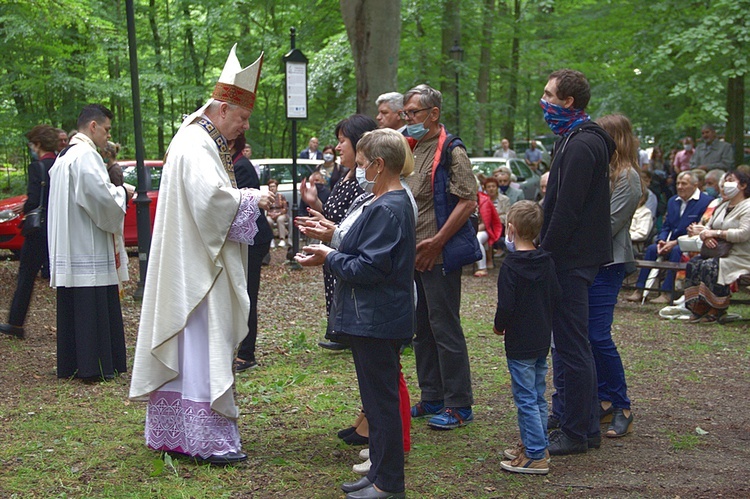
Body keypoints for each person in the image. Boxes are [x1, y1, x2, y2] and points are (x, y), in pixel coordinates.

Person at [129, 45, 271, 464]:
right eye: (242, 117)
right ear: (223, 108)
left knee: (194, 348)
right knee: (200, 343)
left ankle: (183, 434)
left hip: (198, 258)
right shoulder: (195, 142)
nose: (243, 126)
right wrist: (255, 198)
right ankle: (205, 439)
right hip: (198, 268)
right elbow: (211, 202)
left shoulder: (202, 139)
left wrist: (246, 198)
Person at [296, 128, 414, 499]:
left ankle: (388, 483)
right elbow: (362, 248)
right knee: (376, 406)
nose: (358, 170)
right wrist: (332, 241)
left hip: (378, 319)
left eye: (362, 164)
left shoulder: (389, 207)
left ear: (379, 165)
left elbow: (369, 268)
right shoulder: (381, 203)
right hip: (371, 319)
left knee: (382, 407)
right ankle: (377, 473)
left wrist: (329, 257)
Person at [538, 69, 615, 455]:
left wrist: (544, 254)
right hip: (570, 258)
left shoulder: (583, 145)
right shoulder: (571, 140)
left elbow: (567, 209)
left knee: (572, 346)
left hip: (571, 260)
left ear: (568, 102)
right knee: (569, 344)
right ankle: (578, 421)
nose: (544, 101)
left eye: (549, 95)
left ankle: (577, 431)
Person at [402, 84, 478, 430]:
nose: (409, 119)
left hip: (439, 254)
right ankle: (431, 394)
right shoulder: (412, 147)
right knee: (421, 328)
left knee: (444, 326)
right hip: (413, 254)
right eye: (406, 114)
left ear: (433, 114)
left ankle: (459, 404)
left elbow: (467, 200)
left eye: (414, 113)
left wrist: (437, 242)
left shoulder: (451, 150)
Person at [47, 104, 134, 381]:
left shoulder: (65, 155)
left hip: (71, 243)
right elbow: (101, 199)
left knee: (75, 306)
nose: (108, 136)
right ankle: (94, 365)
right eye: (107, 130)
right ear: (93, 126)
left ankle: (74, 362)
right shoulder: (86, 155)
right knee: (91, 304)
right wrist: (122, 193)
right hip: (86, 244)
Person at [298, 115, 378, 353]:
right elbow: (336, 214)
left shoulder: (365, 179)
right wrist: (315, 204)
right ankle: (339, 331)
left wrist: (327, 225)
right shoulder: (346, 174)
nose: (337, 147)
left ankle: (349, 332)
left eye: (343, 141)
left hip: (348, 248)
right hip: (335, 245)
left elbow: (355, 220)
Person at [495, 201, 560, 475]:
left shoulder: (510, 266)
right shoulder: (546, 261)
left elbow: (506, 305)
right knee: (537, 394)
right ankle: (537, 443)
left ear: (511, 229)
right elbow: (556, 295)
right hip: (541, 337)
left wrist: (500, 326)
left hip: (520, 341)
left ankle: (535, 454)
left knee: (525, 397)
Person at [587, 114, 642, 438]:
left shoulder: (628, 178)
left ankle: (622, 406)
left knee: (598, 335)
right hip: (589, 264)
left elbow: (608, 225)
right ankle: (604, 401)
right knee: (587, 337)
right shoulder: (601, 172)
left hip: (609, 265)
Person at [0, 125, 59, 339]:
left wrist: (25, 207)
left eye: (32, 144)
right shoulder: (60, 163)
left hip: (38, 230)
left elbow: (35, 200)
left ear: (38, 144)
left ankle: (16, 323)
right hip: (57, 227)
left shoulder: (37, 167)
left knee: (26, 276)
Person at [626, 171, 711, 304]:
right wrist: (662, 240)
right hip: (669, 241)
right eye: (678, 183)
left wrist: (674, 242)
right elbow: (666, 226)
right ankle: (640, 289)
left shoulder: (705, 202)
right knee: (652, 249)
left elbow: (699, 228)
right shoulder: (673, 201)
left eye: (684, 183)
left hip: (689, 242)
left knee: (677, 251)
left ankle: (667, 292)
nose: (680, 187)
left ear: (695, 185)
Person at [684, 170, 750, 322]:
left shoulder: (748, 206)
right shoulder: (722, 205)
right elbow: (705, 228)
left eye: (731, 180)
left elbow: (743, 233)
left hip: (740, 256)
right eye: (725, 180)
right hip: (718, 252)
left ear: (743, 185)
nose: (726, 184)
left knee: (711, 266)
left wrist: (716, 233)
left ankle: (717, 307)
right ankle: (700, 304)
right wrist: (706, 237)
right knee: (694, 263)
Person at [232, 132, 273, 373]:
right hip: (247, 239)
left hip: (253, 239)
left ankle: (246, 354)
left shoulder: (241, 166)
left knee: (248, 294)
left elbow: (244, 205)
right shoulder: (236, 163)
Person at [474, 178, 503, 277]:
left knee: (477, 239)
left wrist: (473, 230)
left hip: (483, 230)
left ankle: (482, 268)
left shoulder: (484, 200)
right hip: (465, 231)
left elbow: (486, 223)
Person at [265, 178, 289, 247]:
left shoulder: (281, 196)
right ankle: (271, 239)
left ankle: (282, 239)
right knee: (268, 220)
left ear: (276, 187)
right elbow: (266, 208)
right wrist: (270, 214)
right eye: (270, 187)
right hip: (270, 214)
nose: (272, 188)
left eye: (273, 186)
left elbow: (285, 208)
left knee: (280, 219)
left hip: (280, 214)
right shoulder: (267, 197)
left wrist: (279, 213)